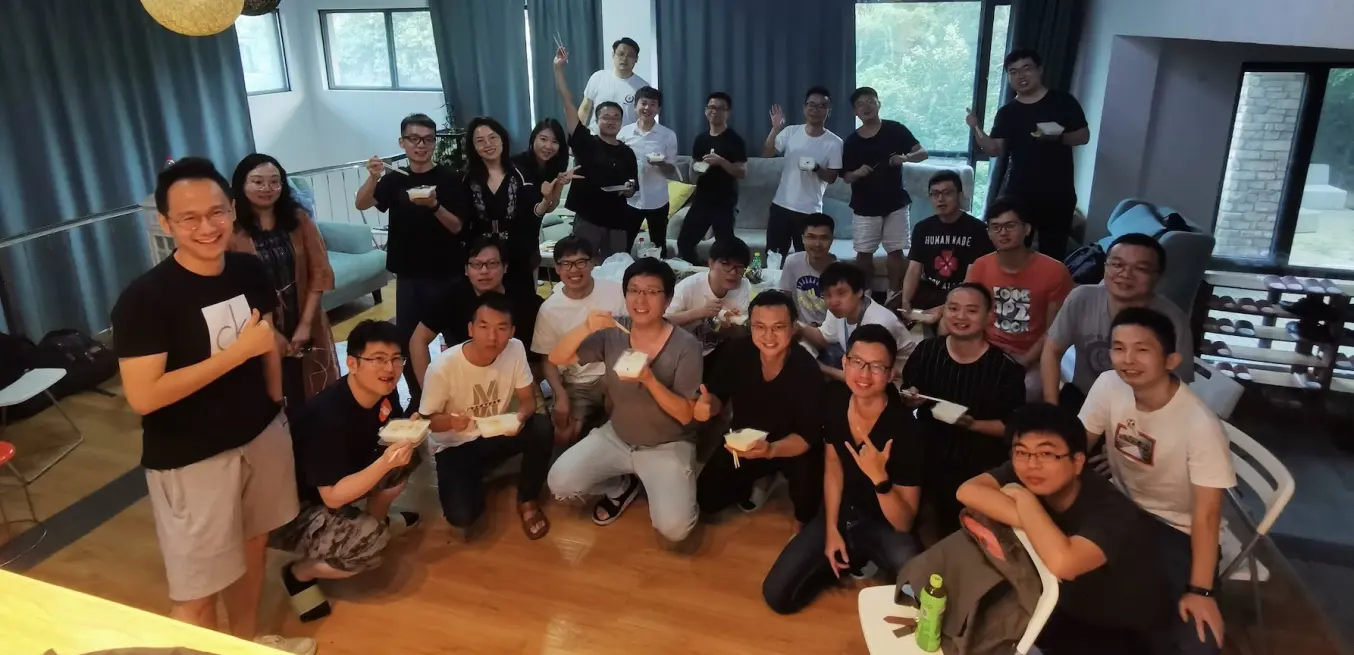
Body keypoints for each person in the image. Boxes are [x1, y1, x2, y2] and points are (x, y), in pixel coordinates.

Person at [110, 158, 313, 654]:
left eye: (217, 212)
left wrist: (275, 404)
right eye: (190, 218)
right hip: (192, 458)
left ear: (232, 211)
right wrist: (235, 355)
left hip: (259, 434)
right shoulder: (145, 299)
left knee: (254, 546)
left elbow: (267, 341)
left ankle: (245, 644)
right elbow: (144, 396)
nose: (207, 227)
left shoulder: (246, 270)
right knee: (197, 591)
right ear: (166, 223)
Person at [956, 403, 1176, 655]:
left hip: (1122, 627)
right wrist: (1032, 519)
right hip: (1061, 605)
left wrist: (1024, 500)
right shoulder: (1029, 473)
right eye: (1021, 452)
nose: (1032, 464)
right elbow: (967, 491)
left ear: (1077, 461)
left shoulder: (1111, 509)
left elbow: (1064, 564)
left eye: (1047, 453)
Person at [1079, 308, 1235, 655]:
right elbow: (1076, 447)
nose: (1127, 360)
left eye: (1142, 349)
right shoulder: (1109, 385)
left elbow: (1207, 515)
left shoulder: (1200, 425)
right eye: (1118, 348)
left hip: (1178, 532)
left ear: (1171, 360)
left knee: (1198, 642)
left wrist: (1201, 591)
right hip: (1119, 509)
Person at [762, 325, 923, 614]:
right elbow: (833, 464)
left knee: (919, 588)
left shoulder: (905, 429)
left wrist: (880, 480)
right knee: (777, 595)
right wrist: (832, 529)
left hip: (883, 522)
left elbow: (904, 523)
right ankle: (849, 556)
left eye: (876, 366)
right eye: (857, 362)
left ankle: (860, 555)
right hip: (841, 510)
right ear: (844, 363)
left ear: (890, 374)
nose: (864, 374)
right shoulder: (835, 399)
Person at [546, 258, 703, 543]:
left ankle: (676, 484)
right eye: (634, 290)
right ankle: (621, 487)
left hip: (666, 444)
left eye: (652, 292)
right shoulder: (614, 331)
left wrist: (649, 380)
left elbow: (685, 415)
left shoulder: (686, 346)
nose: (640, 299)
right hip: (617, 435)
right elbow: (558, 357)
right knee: (560, 482)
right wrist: (586, 327)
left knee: (675, 529)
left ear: (667, 300)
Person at [276, 320, 422, 623]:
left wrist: (408, 430)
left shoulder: (383, 392)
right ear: (352, 363)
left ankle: (375, 521)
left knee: (406, 458)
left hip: (339, 482)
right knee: (371, 547)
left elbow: (385, 436)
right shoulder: (327, 416)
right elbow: (332, 497)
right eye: (378, 359)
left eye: (396, 359)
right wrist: (385, 463)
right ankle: (299, 574)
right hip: (294, 511)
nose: (390, 368)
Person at [421, 292, 556, 540]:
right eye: (484, 327)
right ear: (470, 329)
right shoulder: (442, 368)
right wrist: (451, 421)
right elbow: (428, 421)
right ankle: (478, 473)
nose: (492, 337)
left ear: (512, 331)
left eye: (501, 328)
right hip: (456, 444)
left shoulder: (515, 349)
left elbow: (527, 400)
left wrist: (520, 417)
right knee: (462, 516)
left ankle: (528, 500)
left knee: (541, 427)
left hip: (495, 431)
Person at [902, 284, 1025, 536]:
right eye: (953, 308)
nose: (960, 316)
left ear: (989, 316)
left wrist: (973, 424)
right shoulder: (927, 351)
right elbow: (908, 390)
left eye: (971, 310)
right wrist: (910, 396)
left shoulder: (1005, 369)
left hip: (977, 462)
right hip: (926, 450)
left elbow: (1012, 428)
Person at [356, 113, 463, 401]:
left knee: (456, 339)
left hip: (448, 272)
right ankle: (420, 398)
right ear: (402, 142)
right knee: (407, 341)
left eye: (428, 139)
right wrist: (373, 177)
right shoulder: (394, 180)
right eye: (414, 139)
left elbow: (458, 226)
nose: (421, 145)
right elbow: (361, 203)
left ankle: (460, 396)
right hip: (408, 275)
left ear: (434, 143)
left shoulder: (450, 178)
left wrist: (435, 205)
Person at [695, 291, 825, 525]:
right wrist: (708, 406)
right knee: (706, 498)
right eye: (760, 327)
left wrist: (771, 450)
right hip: (746, 438)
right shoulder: (737, 352)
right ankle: (761, 475)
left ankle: (772, 474)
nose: (768, 336)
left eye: (778, 327)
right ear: (751, 326)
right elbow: (717, 397)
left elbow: (806, 437)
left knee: (808, 506)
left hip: (790, 445)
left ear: (793, 328)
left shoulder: (807, 370)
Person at [227, 153, 339, 411]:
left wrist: (305, 325)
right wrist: (270, 333)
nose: (267, 188)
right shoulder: (231, 230)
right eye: (258, 181)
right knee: (273, 393)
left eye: (274, 181)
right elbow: (232, 289)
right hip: (256, 325)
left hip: (303, 316)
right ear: (241, 185)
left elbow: (319, 271)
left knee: (312, 387)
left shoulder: (299, 220)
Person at [1042, 233, 1194, 409]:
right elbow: (1052, 350)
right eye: (1117, 265)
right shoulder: (1082, 298)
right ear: (1105, 267)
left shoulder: (1173, 319)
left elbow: (1178, 383)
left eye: (1140, 268)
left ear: (1158, 276)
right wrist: (1051, 407)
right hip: (1085, 398)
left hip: (1141, 407)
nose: (1126, 274)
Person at [969, 49, 1090, 261]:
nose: (1020, 76)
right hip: (1019, 192)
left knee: (1053, 254)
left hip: (1057, 192)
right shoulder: (1008, 112)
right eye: (1013, 71)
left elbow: (1083, 136)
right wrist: (976, 127)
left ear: (1039, 70)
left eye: (1026, 68)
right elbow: (994, 149)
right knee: (1014, 250)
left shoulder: (1063, 101)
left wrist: (1058, 137)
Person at [965, 197, 1073, 399]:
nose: (1003, 232)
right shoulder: (980, 266)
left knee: (1026, 391)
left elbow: (1053, 332)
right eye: (995, 227)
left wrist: (1023, 361)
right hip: (985, 350)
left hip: (1031, 356)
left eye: (1010, 226)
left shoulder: (1055, 272)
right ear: (988, 233)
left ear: (1027, 229)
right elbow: (969, 314)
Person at [451, 117, 573, 295]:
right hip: (481, 258)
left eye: (493, 137)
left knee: (519, 301)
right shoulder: (466, 178)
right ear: (473, 146)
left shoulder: (521, 174)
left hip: (517, 253)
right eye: (480, 140)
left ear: (503, 139)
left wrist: (547, 199)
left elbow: (533, 212)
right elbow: (463, 221)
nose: (488, 144)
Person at [410, 237, 542, 393]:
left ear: (505, 267)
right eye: (476, 265)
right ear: (466, 270)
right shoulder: (451, 296)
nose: (484, 271)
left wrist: (531, 378)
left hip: (515, 378)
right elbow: (418, 339)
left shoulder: (524, 298)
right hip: (465, 378)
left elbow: (546, 349)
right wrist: (429, 390)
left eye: (492, 264)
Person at [532, 236, 628, 444]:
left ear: (593, 263)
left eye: (581, 262)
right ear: (557, 268)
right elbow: (548, 360)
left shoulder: (615, 291)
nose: (574, 270)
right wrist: (559, 395)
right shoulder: (549, 309)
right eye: (566, 264)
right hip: (578, 382)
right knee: (565, 434)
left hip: (614, 373)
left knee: (620, 418)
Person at [554, 45, 640, 258]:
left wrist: (629, 189)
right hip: (588, 218)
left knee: (616, 269)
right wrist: (558, 69)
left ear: (621, 122)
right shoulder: (585, 142)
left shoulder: (627, 153)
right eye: (606, 117)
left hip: (617, 221)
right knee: (582, 264)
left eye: (616, 118)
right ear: (597, 119)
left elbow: (632, 187)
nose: (611, 121)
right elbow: (568, 104)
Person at [841, 87, 928, 295]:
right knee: (864, 253)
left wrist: (905, 158)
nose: (866, 107)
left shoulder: (895, 129)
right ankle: (865, 295)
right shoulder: (852, 141)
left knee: (895, 251)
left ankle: (894, 295)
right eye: (860, 104)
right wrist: (858, 173)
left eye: (870, 101)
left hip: (895, 202)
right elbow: (845, 176)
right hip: (864, 205)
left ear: (879, 104)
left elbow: (923, 153)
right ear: (855, 112)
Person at [763, 87, 843, 256]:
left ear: (828, 111)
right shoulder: (791, 131)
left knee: (809, 259)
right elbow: (768, 153)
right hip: (781, 205)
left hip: (810, 210)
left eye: (821, 106)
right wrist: (775, 129)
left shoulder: (835, 143)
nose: (815, 109)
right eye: (811, 104)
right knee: (773, 257)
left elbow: (832, 177)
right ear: (804, 108)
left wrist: (816, 167)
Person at [799, 262, 912, 381]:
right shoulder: (837, 311)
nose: (833, 301)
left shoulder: (880, 323)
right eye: (827, 295)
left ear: (859, 291)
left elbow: (862, 376)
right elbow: (823, 338)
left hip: (901, 382)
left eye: (841, 293)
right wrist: (798, 326)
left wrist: (821, 368)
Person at [901, 170, 993, 315]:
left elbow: (972, 280)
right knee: (893, 316)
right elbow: (914, 269)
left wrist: (940, 311)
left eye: (947, 193)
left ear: (960, 195)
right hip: (929, 291)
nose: (940, 199)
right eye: (935, 194)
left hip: (963, 295)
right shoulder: (922, 228)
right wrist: (905, 301)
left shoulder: (978, 230)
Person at [676, 91, 748, 263]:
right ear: (706, 110)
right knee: (684, 243)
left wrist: (721, 162)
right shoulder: (701, 139)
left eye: (720, 108)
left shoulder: (734, 140)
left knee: (725, 248)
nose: (715, 111)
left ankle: (723, 274)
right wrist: (696, 168)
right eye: (711, 107)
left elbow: (742, 172)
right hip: (702, 199)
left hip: (725, 201)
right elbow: (695, 166)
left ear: (728, 112)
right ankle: (698, 271)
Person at [666, 237, 753, 356]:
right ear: (711, 263)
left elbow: (740, 334)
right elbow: (662, 322)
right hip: (684, 353)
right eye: (726, 264)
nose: (733, 272)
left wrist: (729, 324)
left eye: (739, 267)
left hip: (719, 352)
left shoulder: (743, 286)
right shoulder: (688, 287)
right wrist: (700, 312)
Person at [618, 86, 679, 256]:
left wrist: (660, 164)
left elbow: (671, 171)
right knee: (623, 246)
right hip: (630, 200)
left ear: (658, 109)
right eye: (643, 103)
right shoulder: (624, 133)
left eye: (653, 104)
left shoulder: (668, 135)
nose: (647, 108)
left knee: (659, 248)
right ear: (635, 106)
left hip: (657, 200)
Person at [777, 213, 837, 326]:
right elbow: (785, 297)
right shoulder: (792, 262)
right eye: (811, 237)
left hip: (829, 331)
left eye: (824, 238)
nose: (817, 244)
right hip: (798, 327)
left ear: (832, 240)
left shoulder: (840, 273)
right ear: (803, 239)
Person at [579, 37, 649, 131]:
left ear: (636, 59)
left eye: (630, 55)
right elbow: (585, 108)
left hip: (626, 138)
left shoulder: (642, 87)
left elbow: (644, 119)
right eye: (621, 54)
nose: (624, 58)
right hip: (596, 136)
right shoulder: (598, 77)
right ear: (613, 55)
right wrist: (578, 135)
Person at [513, 118, 571, 186]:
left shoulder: (557, 165)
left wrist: (559, 183)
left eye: (555, 141)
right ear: (533, 138)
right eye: (543, 139)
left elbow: (552, 193)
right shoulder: (516, 166)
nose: (548, 146)